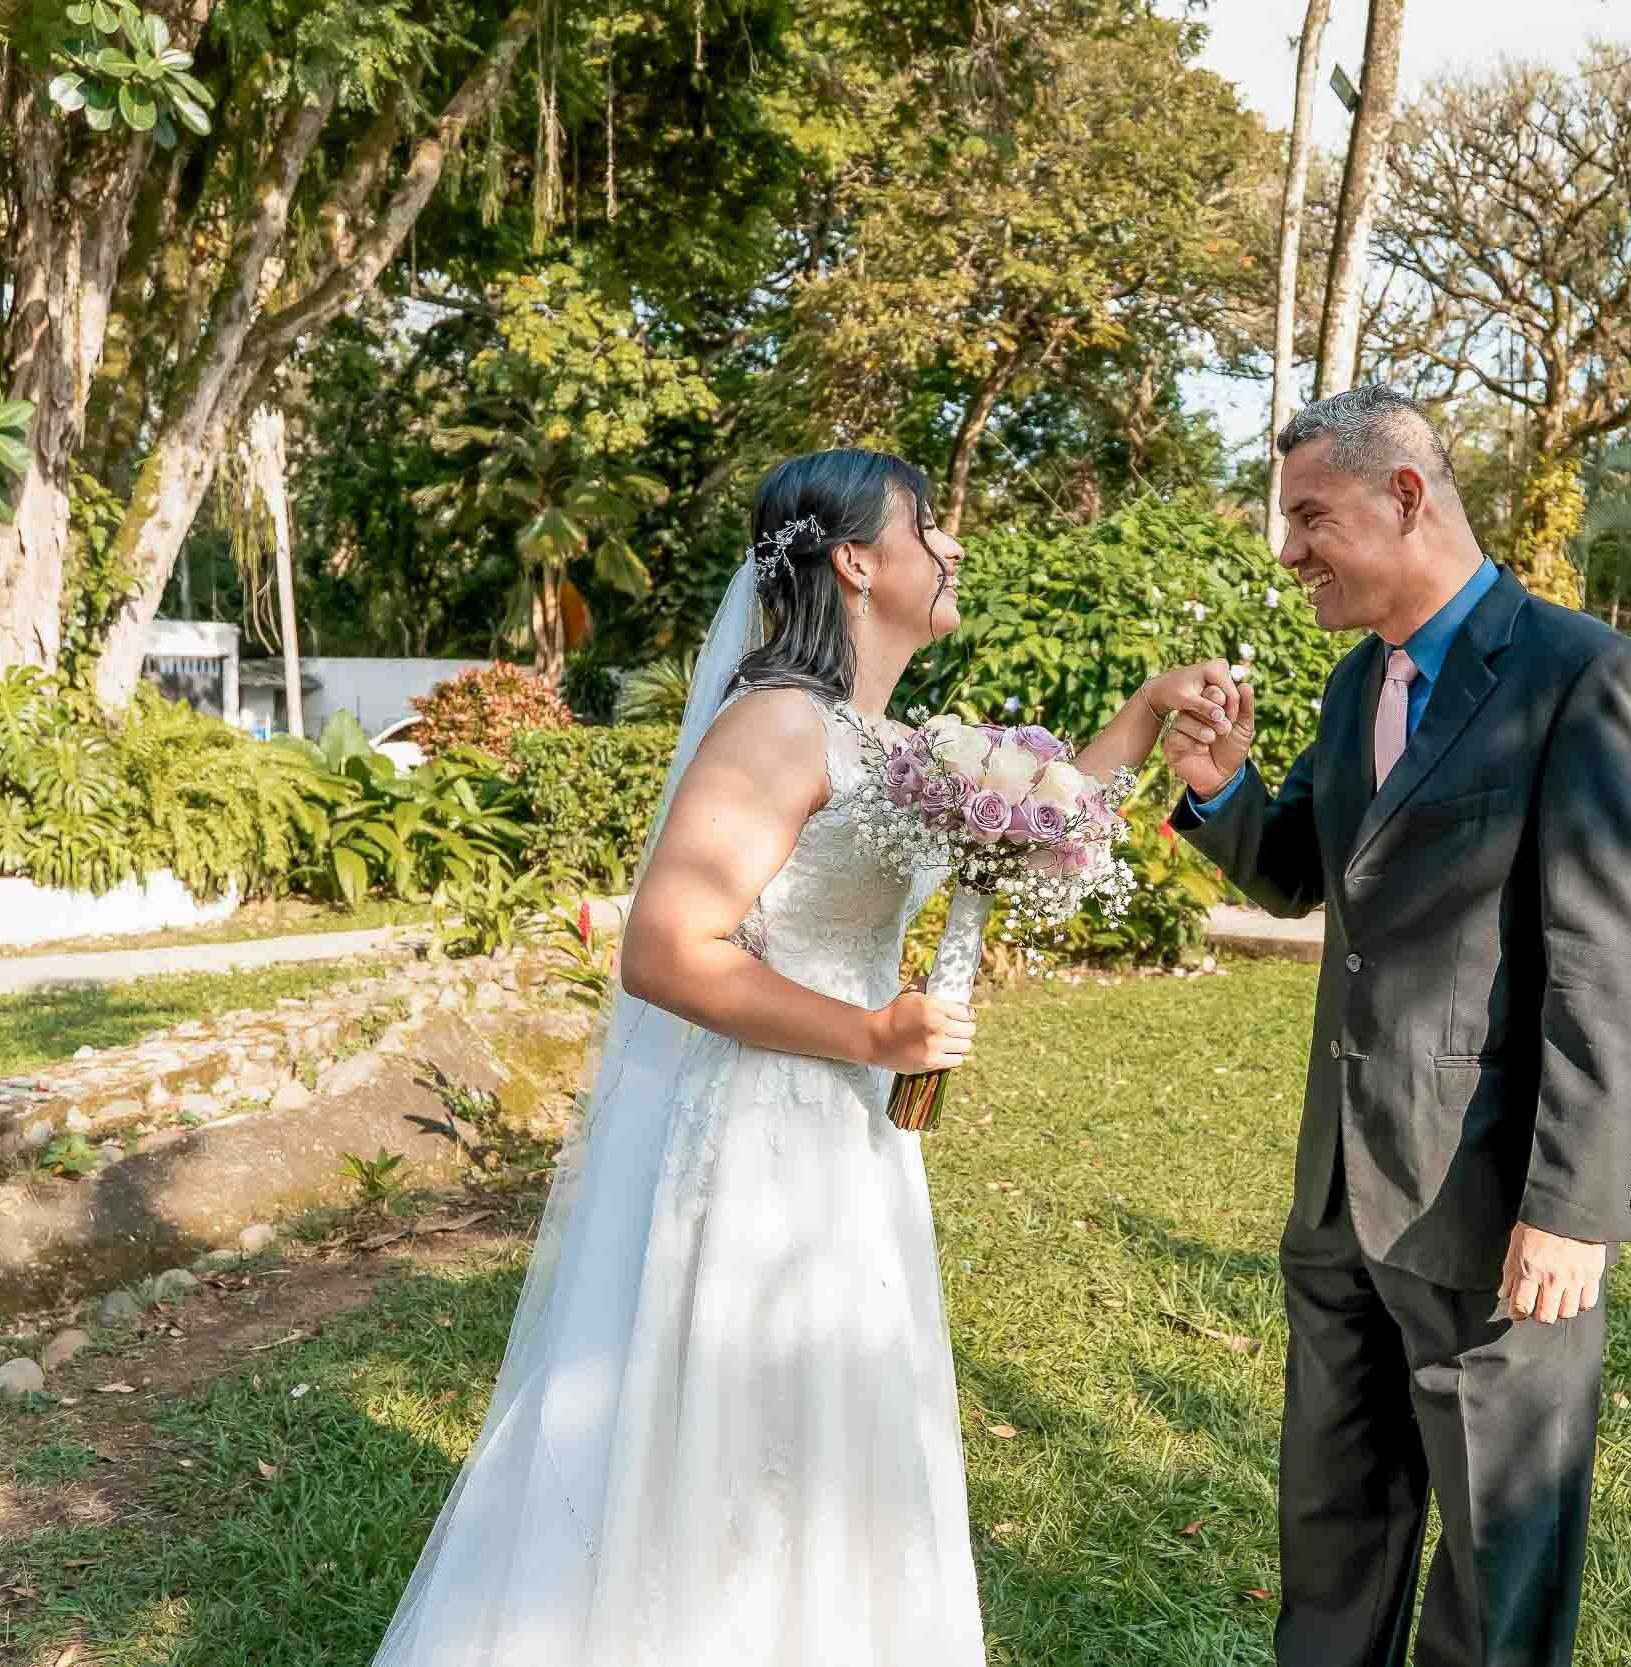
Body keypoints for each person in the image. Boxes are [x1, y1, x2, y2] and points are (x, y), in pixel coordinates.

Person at [367, 448, 1234, 1667]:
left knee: (839, 1412)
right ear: (857, 561)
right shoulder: (776, 726)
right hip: (766, 1125)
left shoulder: (876, 739)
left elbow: (1035, 821)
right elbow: (665, 948)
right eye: (930, 527)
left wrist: (1143, 715)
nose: (956, 547)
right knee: (746, 1414)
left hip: (848, 1137)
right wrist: (869, 1034)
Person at [1150, 385, 1631, 1667]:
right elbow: (1308, 871)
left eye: (1309, 516)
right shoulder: (1351, 686)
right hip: (1339, 1192)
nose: (1290, 552)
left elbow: (1611, 963)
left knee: (1499, 1565)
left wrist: (1571, 1204)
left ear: (1404, 496)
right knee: (1332, 1529)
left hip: (1495, 1201)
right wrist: (1221, 792)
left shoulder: (1581, 674)